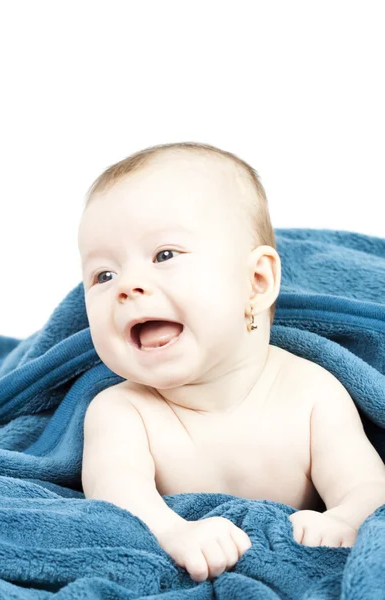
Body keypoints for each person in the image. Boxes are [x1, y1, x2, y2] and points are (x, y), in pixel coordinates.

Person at [77, 142, 385, 582]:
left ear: (257, 282)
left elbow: (367, 487)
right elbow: (116, 495)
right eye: (103, 275)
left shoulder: (310, 392)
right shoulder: (121, 410)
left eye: (164, 255)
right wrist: (173, 532)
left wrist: (343, 520)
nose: (127, 286)